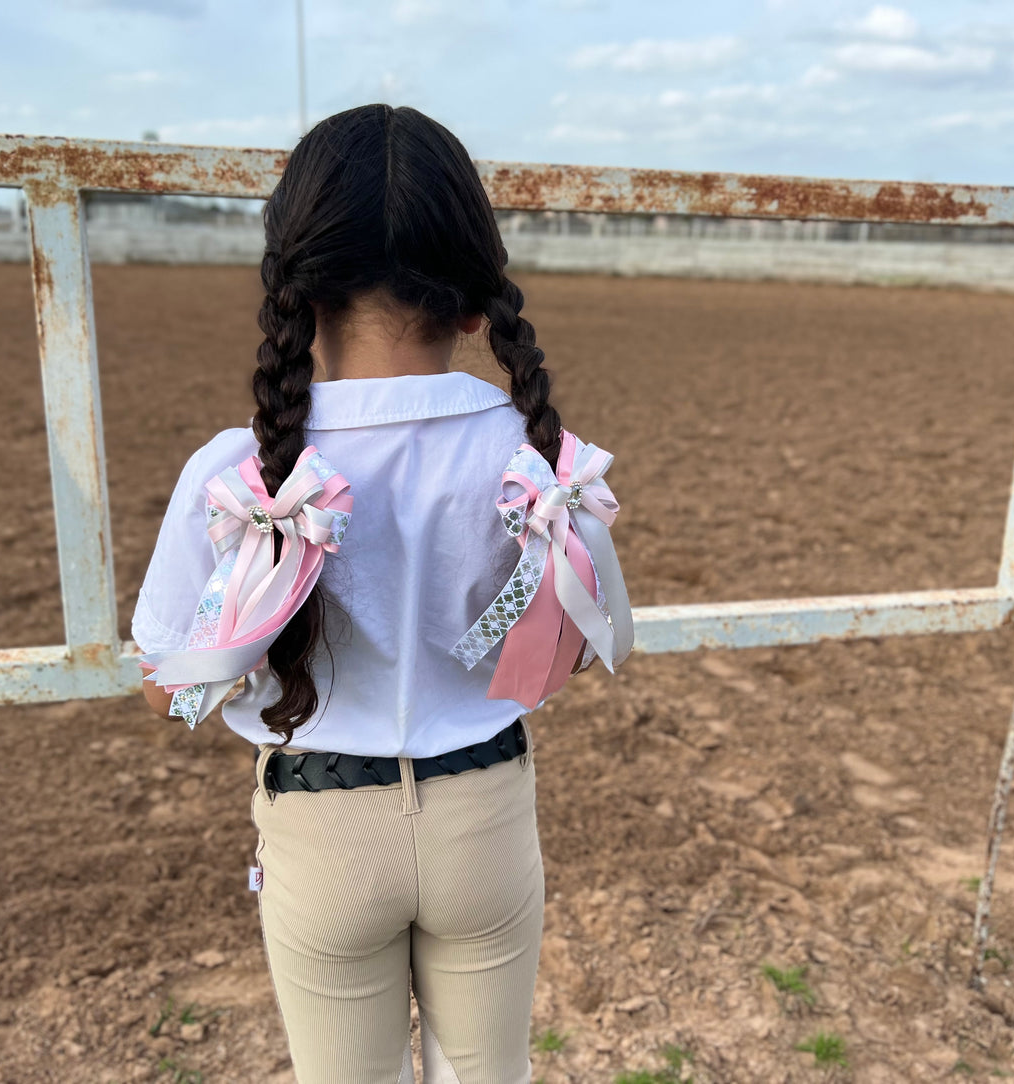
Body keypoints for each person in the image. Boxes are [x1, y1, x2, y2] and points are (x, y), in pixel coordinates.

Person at [130, 103, 633, 1084]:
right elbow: (571, 649)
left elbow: (166, 688)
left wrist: (249, 619)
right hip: (483, 810)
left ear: (295, 287)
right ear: (476, 300)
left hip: (323, 830)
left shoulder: (241, 472)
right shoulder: (540, 463)